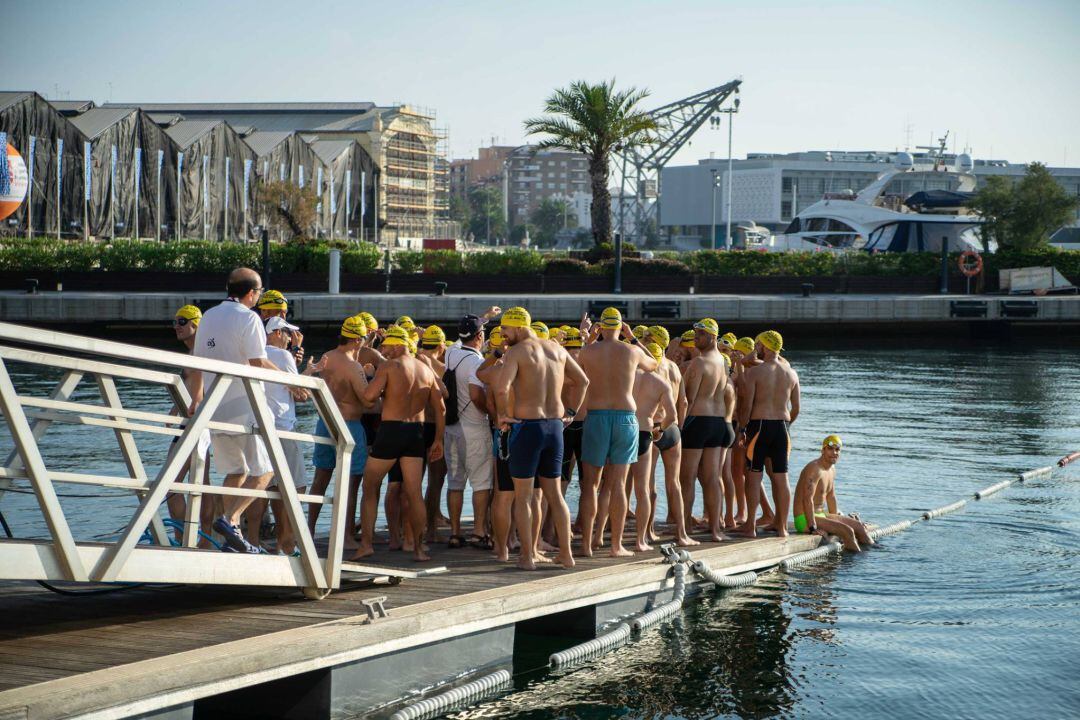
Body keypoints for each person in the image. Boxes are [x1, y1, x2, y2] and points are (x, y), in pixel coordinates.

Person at [187, 268, 295, 554]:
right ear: (251, 293)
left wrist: (195, 400)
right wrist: (291, 380)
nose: (258, 298)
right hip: (244, 404)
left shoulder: (208, 316)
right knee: (266, 471)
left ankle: (227, 532)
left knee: (235, 471)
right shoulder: (248, 318)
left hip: (215, 407)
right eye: (258, 293)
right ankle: (231, 519)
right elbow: (257, 362)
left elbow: (196, 363)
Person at [492, 307, 588, 570]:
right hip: (555, 427)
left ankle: (526, 557)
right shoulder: (557, 349)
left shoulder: (518, 352)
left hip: (528, 427)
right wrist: (570, 412)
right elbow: (583, 381)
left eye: (505, 330)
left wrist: (502, 415)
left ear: (520, 327)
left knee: (523, 497)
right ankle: (566, 555)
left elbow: (501, 388)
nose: (502, 336)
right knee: (555, 495)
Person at [354, 325, 444, 562]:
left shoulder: (389, 366)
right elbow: (441, 406)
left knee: (369, 485)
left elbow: (368, 397)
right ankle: (418, 548)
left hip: (391, 430)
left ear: (397, 344)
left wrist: (370, 378)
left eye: (386, 346)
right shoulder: (425, 369)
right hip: (417, 433)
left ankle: (366, 544)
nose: (383, 350)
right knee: (414, 492)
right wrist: (437, 440)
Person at [576, 307, 657, 558]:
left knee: (590, 485)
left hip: (596, 417)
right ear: (621, 326)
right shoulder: (631, 351)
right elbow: (653, 364)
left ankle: (587, 545)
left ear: (601, 327)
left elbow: (574, 368)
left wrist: (588, 338)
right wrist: (632, 338)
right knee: (619, 484)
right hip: (625, 419)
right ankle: (616, 546)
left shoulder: (587, 352)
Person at [305, 316, 372, 547]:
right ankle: (345, 535)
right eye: (363, 338)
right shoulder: (353, 366)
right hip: (349, 426)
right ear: (355, 339)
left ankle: (309, 531)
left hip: (325, 422)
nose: (364, 343)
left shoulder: (327, 357)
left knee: (320, 479)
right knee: (351, 483)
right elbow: (367, 400)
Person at [254, 316, 317, 555]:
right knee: (296, 485)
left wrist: (306, 370)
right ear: (277, 333)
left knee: (264, 486)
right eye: (287, 333)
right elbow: (300, 394)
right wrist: (309, 376)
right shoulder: (283, 355)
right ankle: (287, 541)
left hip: (261, 425)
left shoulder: (255, 354)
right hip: (283, 427)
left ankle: (253, 539)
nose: (290, 338)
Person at [737, 330, 800, 538]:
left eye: (758, 345)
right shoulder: (791, 373)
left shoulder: (756, 372)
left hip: (760, 426)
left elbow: (747, 404)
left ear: (763, 346)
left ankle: (750, 527)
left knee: (754, 475)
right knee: (781, 478)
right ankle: (781, 527)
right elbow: (796, 408)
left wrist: (743, 429)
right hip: (783, 427)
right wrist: (785, 424)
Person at [679, 318, 736, 542]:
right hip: (719, 422)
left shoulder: (698, 363)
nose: (696, 339)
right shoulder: (724, 361)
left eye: (700, 335)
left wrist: (680, 426)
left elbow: (688, 399)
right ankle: (715, 529)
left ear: (712, 337)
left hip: (697, 422)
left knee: (688, 478)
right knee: (712, 478)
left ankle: (685, 529)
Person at [165, 305, 216, 546]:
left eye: (182, 321)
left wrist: (190, 406)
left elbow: (201, 389)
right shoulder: (199, 352)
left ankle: (183, 539)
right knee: (202, 484)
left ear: (197, 325)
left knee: (170, 484)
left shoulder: (198, 354)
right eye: (175, 321)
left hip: (193, 427)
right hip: (196, 425)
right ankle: (204, 539)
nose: (176, 326)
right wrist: (176, 408)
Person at [443, 315, 494, 549]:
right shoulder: (476, 361)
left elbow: (457, 340)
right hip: (473, 427)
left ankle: (454, 533)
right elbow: (475, 394)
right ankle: (478, 532)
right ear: (480, 336)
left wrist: (484, 317)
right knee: (481, 483)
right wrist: (489, 412)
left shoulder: (451, 353)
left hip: (451, 427)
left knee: (455, 483)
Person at [628, 342, 679, 552]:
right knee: (646, 489)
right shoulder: (664, 380)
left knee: (617, 487)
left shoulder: (627, 377)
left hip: (625, 428)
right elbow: (676, 412)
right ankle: (643, 539)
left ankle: (601, 539)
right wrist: (660, 431)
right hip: (651, 431)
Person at [792, 435, 873, 551]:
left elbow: (831, 497)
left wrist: (835, 519)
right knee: (847, 530)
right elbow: (807, 499)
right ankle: (856, 565)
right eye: (830, 449)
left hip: (821, 515)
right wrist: (812, 527)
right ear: (822, 450)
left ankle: (874, 555)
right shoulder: (814, 469)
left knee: (858, 526)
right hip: (804, 519)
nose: (834, 452)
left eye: (837, 449)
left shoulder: (831, 469)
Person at [256, 290, 304, 366]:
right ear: (264, 311)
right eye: (279, 312)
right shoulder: (253, 334)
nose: (283, 317)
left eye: (285, 312)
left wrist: (292, 360)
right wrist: (293, 354)